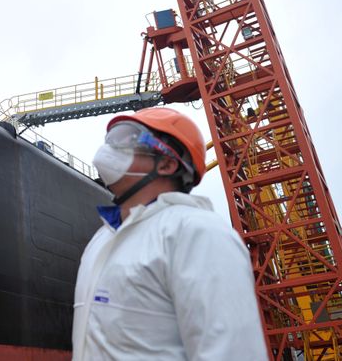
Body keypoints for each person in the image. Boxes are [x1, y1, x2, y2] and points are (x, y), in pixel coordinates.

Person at [72, 107, 268, 360]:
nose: (110, 149)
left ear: (166, 163)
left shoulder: (198, 233)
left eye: (127, 138)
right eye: (111, 139)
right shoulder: (103, 239)